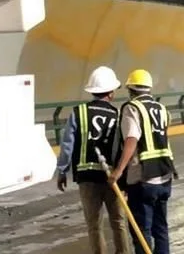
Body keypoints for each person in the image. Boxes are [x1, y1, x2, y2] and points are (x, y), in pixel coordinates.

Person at [56, 66, 131, 254]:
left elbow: (67, 145)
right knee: (118, 222)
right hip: (112, 178)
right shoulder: (117, 115)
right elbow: (124, 147)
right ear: (111, 93)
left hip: (87, 177)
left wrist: (62, 170)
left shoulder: (78, 112)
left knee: (94, 225)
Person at [109, 69, 177, 254]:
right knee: (161, 228)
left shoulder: (132, 108)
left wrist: (119, 170)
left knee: (141, 231)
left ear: (130, 89)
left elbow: (131, 139)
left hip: (143, 178)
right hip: (164, 175)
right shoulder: (161, 109)